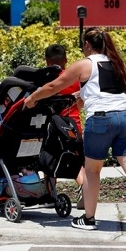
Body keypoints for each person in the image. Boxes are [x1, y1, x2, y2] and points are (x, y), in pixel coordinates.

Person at [25, 28, 126, 233]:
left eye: (84, 45)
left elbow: (54, 85)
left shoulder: (85, 64)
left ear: (88, 45)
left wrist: (33, 98)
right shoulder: (114, 64)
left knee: (92, 170)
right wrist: (81, 97)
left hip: (101, 120)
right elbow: (103, 92)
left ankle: (89, 218)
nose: (83, 48)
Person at [44, 43, 85, 204]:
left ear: (46, 61)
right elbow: (81, 102)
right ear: (66, 60)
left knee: (48, 160)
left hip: (52, 128)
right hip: (74, 126)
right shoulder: (73, 78)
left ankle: (50, 194)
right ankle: (84, 188)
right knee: (76, 163)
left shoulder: (47, 79)